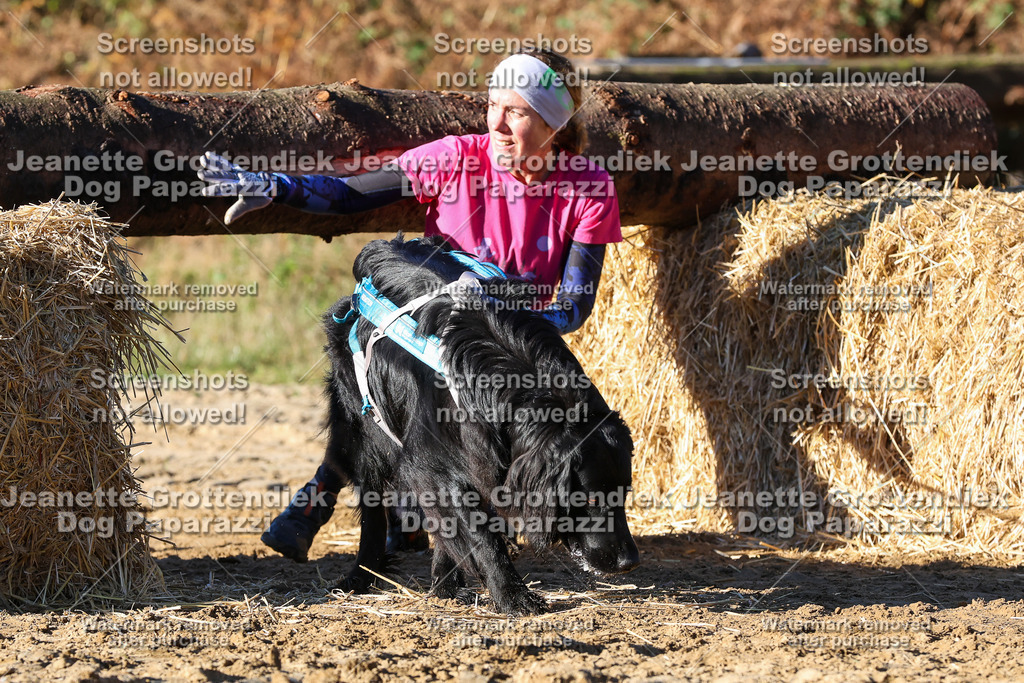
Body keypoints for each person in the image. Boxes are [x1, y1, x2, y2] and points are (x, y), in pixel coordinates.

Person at [198, 49, 622, 563]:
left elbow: (575, 306)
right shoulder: (456, 158)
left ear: (553, 123)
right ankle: (331, 501)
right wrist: (277, 186)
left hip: (512, 348)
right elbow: (353, 193)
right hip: (426, 331)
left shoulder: (589, 187)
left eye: (518, 112)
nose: (499, 124)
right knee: (387, 383)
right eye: (494, 106)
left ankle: (390, 513)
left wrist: (499, 308)